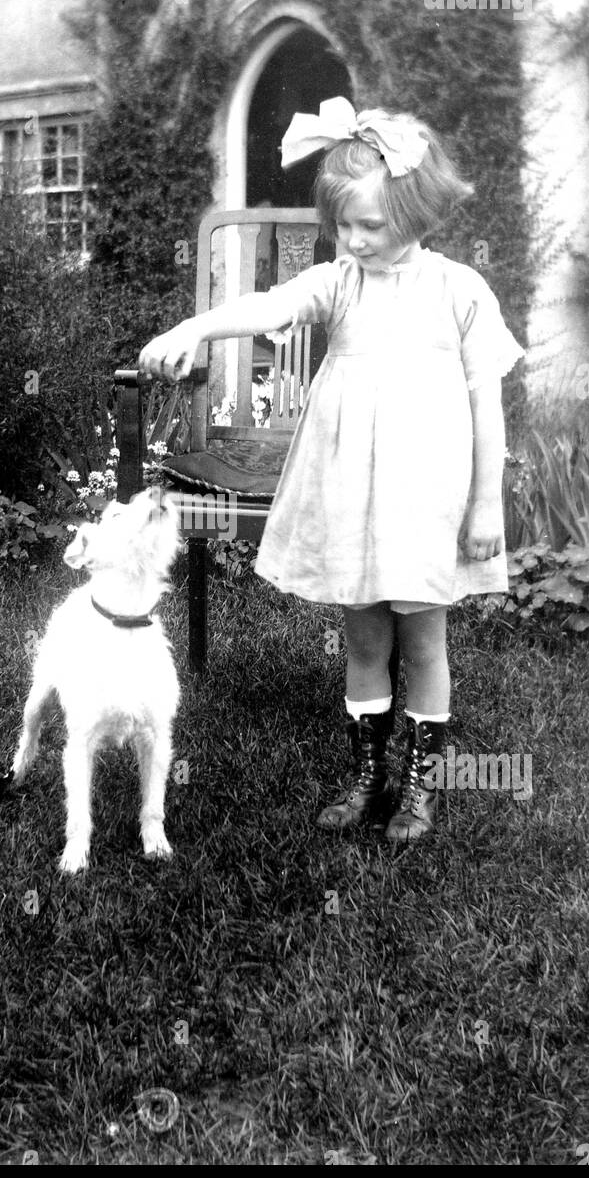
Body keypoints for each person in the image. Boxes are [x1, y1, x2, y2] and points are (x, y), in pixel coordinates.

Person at [138, 97, 524, 842]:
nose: (352, 239)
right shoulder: (340, 283)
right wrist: (196, 324)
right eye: (341, 225)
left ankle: (417, 788)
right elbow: (267, 305)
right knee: (364, 640)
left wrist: (486, 507)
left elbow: (487, 410)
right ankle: (365, 775)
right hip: (352, 495)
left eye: (369, 226)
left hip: (426, 500)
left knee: (423, 640)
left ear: (416, 212)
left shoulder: (459, 292)